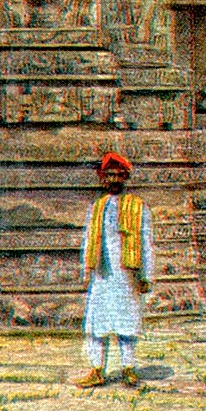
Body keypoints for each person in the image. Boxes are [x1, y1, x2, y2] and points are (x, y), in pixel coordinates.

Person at [78, 151, 154, 388]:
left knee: (127, 321)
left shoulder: (138, 207)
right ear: (103, 178)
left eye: (119, 175)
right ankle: (97, 370)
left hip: (126, 272)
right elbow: (88, 239)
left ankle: (128, 368)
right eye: (110, 175)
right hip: (102, 272)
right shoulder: (97, 207)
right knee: (97, 323)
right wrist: (86, 270)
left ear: (125, 178)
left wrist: (145, 276)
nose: (114, 179)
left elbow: (146, 241)